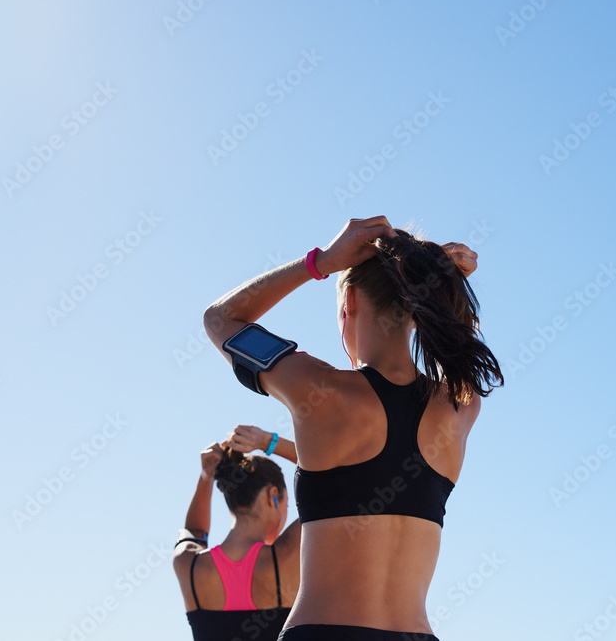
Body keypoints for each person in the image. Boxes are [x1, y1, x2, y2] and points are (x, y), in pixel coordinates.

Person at [202, 217, 503, 640]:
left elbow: (220, 319)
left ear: (352, 303)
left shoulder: (319, 389)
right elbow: (459, 347)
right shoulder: (459, 406)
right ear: (415, 315)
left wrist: (319, 262)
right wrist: (442, 285)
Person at [173, 425, 302, 641]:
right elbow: (334, 471)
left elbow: (193, 531)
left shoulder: (189, 566)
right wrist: (268, 442)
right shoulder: (287, 555)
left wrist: (206, 476)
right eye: (286, 506)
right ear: (273, 495)